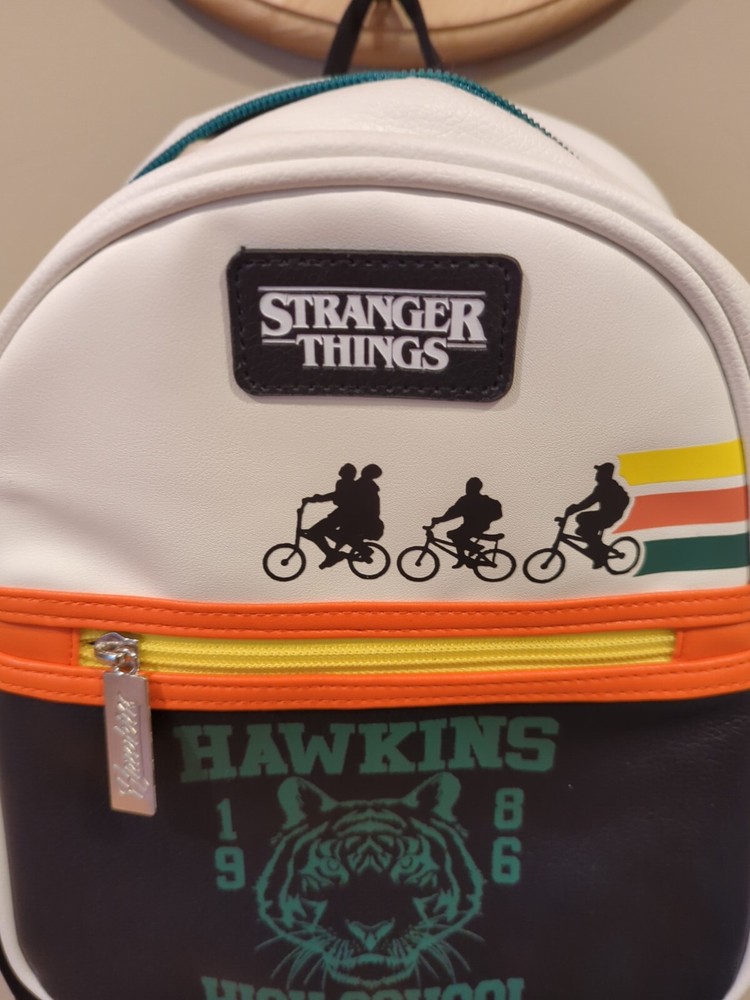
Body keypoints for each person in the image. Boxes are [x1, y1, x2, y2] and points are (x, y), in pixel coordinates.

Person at [565, 462, 630, 568]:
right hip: (607, 515)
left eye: (599, 472)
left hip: (609, 516)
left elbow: (589, 502)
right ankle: (595, 547)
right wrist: (575, 508)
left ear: (604, 474)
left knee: (582, 522)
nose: (597, 474)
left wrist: (574, 508)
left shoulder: (605, 487)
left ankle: (600, 553)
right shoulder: (606, 485)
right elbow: (589, 501)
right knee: (582, 527)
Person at [431, 478, 502, 568]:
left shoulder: (467, 500)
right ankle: (463, 557)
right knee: (457, 536)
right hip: (475, 526)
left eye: (469, 487)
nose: (467, 488)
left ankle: (472, 549)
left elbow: (453, 512)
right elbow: (453, 511)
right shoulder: (482, 500)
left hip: (472, 526)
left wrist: (439, 519)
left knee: (454, 535)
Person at [303, 463, 358, 568]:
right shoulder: (347, 484)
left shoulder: (344, 483)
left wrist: (317, 499)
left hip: (343, 514)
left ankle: (331, 553)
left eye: (343, 469)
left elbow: (336, 496)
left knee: (314, 532)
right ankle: (333, 552)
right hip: (343, 514)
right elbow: (335, 496)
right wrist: (318, 498)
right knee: (321, 530)